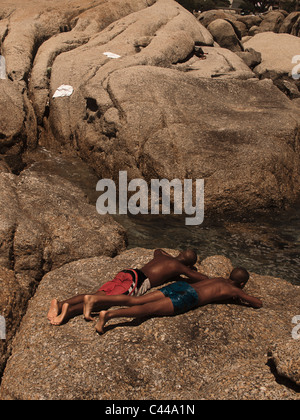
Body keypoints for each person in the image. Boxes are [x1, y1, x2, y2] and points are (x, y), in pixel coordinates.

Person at [47, 248, 198, 325]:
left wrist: (171, 257)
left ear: (179, 253)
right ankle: (69, 312)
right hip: (137, 281)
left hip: (129, 273)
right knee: (102, 301)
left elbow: (157, 250)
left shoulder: (163, 256)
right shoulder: (179, 266)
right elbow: (200, 278)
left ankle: (61, 304)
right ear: (188, 263)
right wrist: (189, 270)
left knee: (97, 294)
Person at [92, 266, 263, 334]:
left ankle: (100, 301)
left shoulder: (218, 279)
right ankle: (109, 315)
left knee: (139, 300)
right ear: (241, 283)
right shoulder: (234, 289)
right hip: (188, 297)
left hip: (180, 286)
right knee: (149, 309)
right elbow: (257, 303)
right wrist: (240, 295)